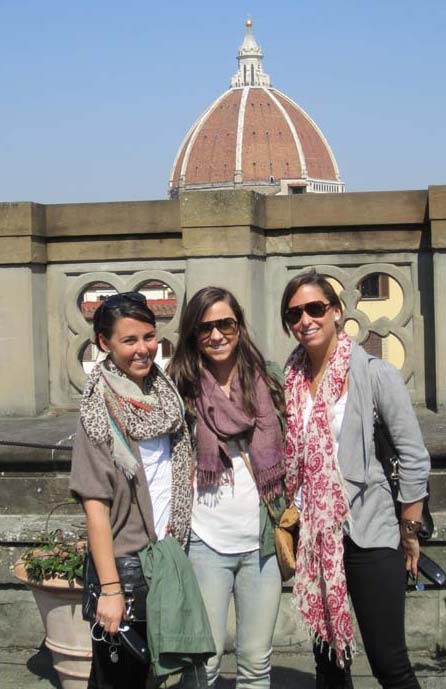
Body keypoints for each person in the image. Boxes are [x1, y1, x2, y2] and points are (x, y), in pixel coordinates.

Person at [280, 270, 430, 689]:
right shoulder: (290, 380)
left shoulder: (374, 373)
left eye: (315, 308)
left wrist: (409, 530)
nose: (305, 320)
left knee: (389, 663)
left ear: (337, 311)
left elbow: (414, 455)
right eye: (294, 314)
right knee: (329, 666)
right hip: (314, 536)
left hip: (370, 530)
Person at [69, 292, 194, 689]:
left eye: (149, 336)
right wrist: (110, 591)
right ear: (104, 343)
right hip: (126, 568)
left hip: (168, 556)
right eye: (129, 340)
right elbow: (95, 506)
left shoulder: (166, 395)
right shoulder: (99, 409)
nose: (143, 349)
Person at [168, 286, 285, 689]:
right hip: (204, 541)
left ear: (239, 326)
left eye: (225, 324)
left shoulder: (268, 379)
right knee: (205, 663)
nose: (216, 335)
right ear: (192, 334)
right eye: (205, 328)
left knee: (256, 661)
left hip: (262, 543)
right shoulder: (180, 388)